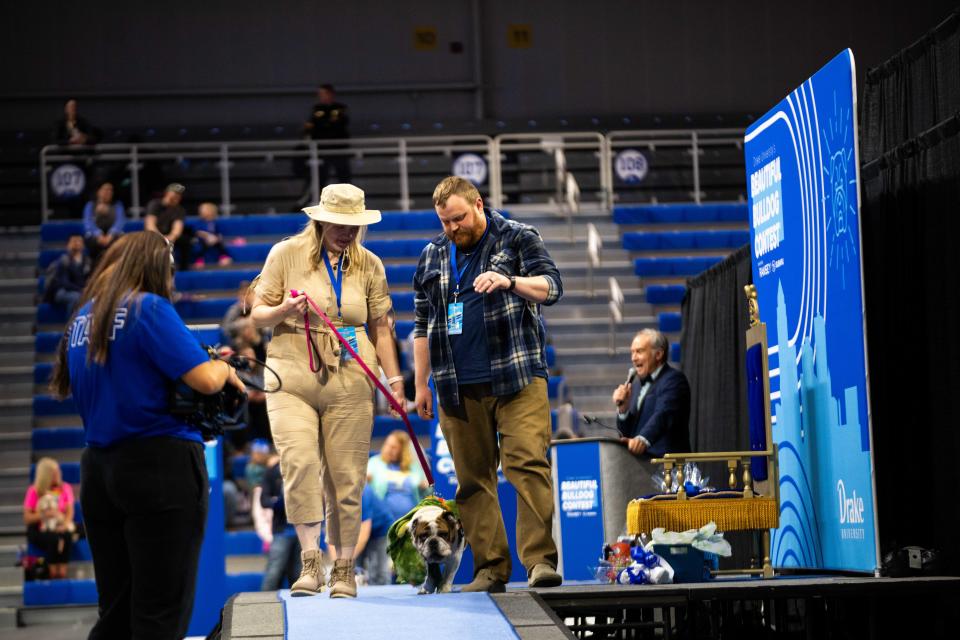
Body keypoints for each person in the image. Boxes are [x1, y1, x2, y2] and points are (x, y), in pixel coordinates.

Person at [49, 231, 246, 640]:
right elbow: (207, 380)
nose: (171, 281)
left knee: (116, 612)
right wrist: (226, 368)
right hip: (159, 467)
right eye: (170, 270)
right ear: (156, 266)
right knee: (160, 611)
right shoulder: (148, 308)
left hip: (100, 471)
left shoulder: (85, 315)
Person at [250, 183, 404, 599]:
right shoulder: (285, 254)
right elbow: (258, 315)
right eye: (339, 223)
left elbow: (382, 328)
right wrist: (283, 310)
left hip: (353, 375)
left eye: (354, 225)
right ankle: (310, 562)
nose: (347, 232)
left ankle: (344, 568)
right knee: (298, 463)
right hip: (291, 373)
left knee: (347, 478)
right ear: (319, 219)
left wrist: (395, 383)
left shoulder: (370, 264)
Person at [412, 176, 564, 592]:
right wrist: (420, 384)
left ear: (478, 204)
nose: (452, 228)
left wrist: (511, 282)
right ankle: (491, 569)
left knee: (527, 465)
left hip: (517, 379)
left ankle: (539, 563)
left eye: (458, 218)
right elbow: (422, 323)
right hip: (456, 386)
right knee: (472, 480)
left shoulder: (516, 237)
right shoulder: (431, 255)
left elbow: (552, 287)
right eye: (444, 222)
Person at [612, 329, 691, 457]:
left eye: (639, 351)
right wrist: (623, 409)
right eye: (632, 352)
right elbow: (626, 436)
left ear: (658, 354)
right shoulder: (636, 385)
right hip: (639, 467)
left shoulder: (674, 380)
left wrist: (642, 439)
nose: (633, 358)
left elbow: (663, 414)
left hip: (668, 468)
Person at [22, 457, 76, 580]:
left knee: (66, 536)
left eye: (58, 471)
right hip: (39, 528)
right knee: (54, 539)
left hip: (59, 524)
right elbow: (27, 518)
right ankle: (51, 573)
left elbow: (69, 511)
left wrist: (64, 525)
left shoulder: (65, 488)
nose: (58, 474)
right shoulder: (34, 491)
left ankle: (61, 573)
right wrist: (45, 515)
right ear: (46, 475)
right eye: (54, 472)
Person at [298, 84, 351, 205]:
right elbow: (311, 126)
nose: (321, 97)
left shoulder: (340, 108)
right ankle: (318, 203)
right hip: (321, 151)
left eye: (324, 94)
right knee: (319, 178)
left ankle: (347, 203)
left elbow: (339, 125)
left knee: (343, 178)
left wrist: (323, 125)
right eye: (320, 95)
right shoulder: (316, 108)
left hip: (339, 150)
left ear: (330, 94)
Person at [259, 454, 301, 591]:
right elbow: (264, 500)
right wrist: (281, 502)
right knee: (273, 574)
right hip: (282, 531)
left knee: (298, 576)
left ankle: (300, 609)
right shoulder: (272, 472)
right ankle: (263, 608)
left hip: (303, 532)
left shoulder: (305, 469)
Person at [367, 430, 427, 521]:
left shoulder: (414, 466)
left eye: (394, 447)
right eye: (387, 444)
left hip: (412, 518)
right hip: (384, 520)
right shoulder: (374, 462)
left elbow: (427, 492)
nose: (388, 449)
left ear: (403, 450)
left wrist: (425, 487)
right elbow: (366, 487)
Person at [144, 183, 193, 271]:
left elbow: (177, 227)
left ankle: (183, 270)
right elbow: (150, 225)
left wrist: (172, 237)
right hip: (154, 235)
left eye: (179, 194)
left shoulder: (180, 210)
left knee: (186, 241)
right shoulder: (154, 204)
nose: (177, 196)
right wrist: (161, 238)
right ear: (167, 193)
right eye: (175, 193)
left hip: (170, 237)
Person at [43, 235, 92, 313]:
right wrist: (81, 290)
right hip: (62, 291)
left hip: (79, 290)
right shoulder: (64, 261)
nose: (76, 243)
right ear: (68, 245)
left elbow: (88, 279)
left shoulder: (87, 261)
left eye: (79, 241)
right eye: (74, 241)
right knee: (76, 297)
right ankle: (71, 323)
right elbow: (65, 283)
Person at [82, 181, 125, 264]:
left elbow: (120, 222)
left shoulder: (117, 205)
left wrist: (110, 235)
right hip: (96, 237)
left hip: (112, 236)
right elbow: (88, 222)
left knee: (120, 240)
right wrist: (98, 235)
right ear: (98, 191)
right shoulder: (90, 205)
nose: (108, 192)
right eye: (105, 189)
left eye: (110, 190)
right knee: (90, 240)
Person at [193, 202, 232, 267]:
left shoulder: (215, 222)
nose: (200, 211)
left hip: (214, 240)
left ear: (210, 211)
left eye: (203, 210)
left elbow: (219, 233)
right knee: (198, 246)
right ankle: (199, 259)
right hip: (202, 240)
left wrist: (216, 238)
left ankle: (223, 256)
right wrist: (207, 236)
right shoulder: (199, 222)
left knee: (220, 244)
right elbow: (197, 232)